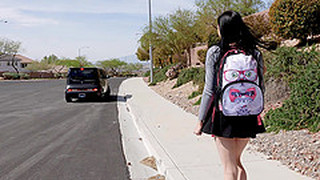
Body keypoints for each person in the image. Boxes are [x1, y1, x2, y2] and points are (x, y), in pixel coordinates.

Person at [193, 10, 274, 180]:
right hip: (248, 114)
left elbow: (209, 90)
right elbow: (261, 86)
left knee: (229, 169)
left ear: (221, 29)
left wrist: (200, 121)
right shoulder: (254, 52)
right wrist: (256, 110)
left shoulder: (215, 52)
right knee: (237, 163)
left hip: (225, 115)